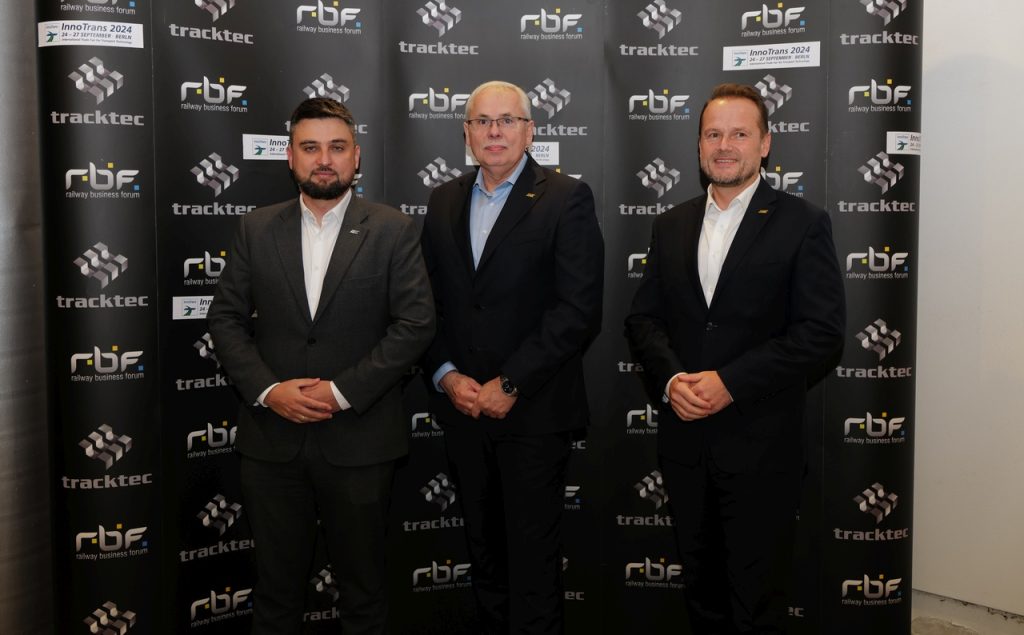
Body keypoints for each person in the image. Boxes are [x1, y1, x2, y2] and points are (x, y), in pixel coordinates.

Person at [207, 97, 435, 634]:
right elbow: (225, 320)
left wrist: (339, 393)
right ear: (290, 156)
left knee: (364, 596)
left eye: (337, 147)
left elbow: (415, 325)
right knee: (275, 596)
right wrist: (270, 391)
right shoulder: (256, 228)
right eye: (310, 148)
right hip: (272, 442)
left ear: (357, 156)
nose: (324, 160)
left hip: (360, 442)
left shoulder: (393, 229)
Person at [624, 83, 845, 634]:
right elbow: (643, 319)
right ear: (699, 145)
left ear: (765, 144)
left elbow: (821, 332)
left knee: (757, 605)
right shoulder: (670, 224)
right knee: (702, 597)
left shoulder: (802, 223)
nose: (725, 146)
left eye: (740, 134)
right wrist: (671, 379)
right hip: (686, 447)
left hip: (761, 448)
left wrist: (732, 382)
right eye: (713, 134)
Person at [419, 80, 604, 634]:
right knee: (485, 560)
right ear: (466, 133)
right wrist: (446, 375)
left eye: (507, 120)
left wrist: (511, 383)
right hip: (463, 412)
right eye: (482, 121)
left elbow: (578, 310)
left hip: (533, 415)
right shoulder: (443, 200)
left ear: (530, 131)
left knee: (533, 569)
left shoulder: (566, 197)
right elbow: (425, 303)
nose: (494, 131)